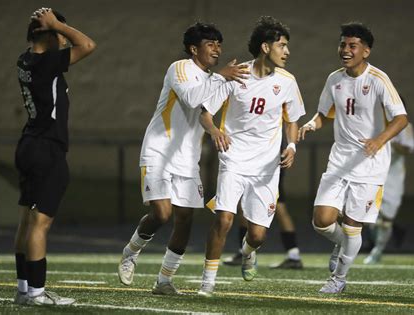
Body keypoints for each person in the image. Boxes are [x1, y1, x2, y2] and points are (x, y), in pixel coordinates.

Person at [117, 22, 248, 295]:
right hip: (159, 151)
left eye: (219, 44)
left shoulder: (214, 79)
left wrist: (214, 130)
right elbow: (191, 98)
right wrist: (221, 77)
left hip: (188, 158)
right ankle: (131, 251)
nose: (217, 49)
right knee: (162, 213)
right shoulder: (180, 68)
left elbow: (205, 113)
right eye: (210, 44)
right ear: (193, 48)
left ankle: (164, 281)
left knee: (185, 218)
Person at [197, 16, 305, 297]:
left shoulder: (288, 82)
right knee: (223, 219)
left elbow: (292, 119)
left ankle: (247, 251)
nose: (287, 52)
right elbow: (206, 114)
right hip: (233, 158)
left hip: (267, 166)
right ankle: (207, 283)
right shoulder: (236, 75)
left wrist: (291, 146)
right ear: (265, 47)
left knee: (257, 235)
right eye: (282, 45)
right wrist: (213, 132)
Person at [299, 22, 408, 294]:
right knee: (322, 220)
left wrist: (378, 140)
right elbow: (323, 113)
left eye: (352, 46)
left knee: (352, 225)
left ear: (366, 51)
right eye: (343, 45)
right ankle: (343, 244)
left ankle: (338, 278)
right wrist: (312, 123)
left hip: (371, 165)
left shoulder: (378, 80)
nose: (345, 50)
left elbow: (402, 118)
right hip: (340, 160)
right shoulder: (334, 79)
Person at [14, 8, 96, 305]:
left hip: (29, 144)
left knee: (26, 220)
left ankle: (24, 289)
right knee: (40, 223)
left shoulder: (26, 58)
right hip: (46, 148)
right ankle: (36, 293)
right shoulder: (47, 62)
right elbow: (87, 45)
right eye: (59, 32)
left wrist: (46, 26)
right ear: (48, 33)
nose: (64, 38)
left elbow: (49, 44)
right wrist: (57, 24)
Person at [223, 137, 303, 270]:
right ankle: (293, 253)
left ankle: (245, 252)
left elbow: (290, 122)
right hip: (266, 155)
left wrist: (290, 146)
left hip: (265, 157)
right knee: (278, 204)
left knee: (272, 203)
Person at [364, 104, 414, 264]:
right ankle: (379, 240)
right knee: (366, 213)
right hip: (373, 173)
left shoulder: (404, 126)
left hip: (393, 178)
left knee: (387, 217)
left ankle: (377, 250)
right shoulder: (374, 123)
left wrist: (389, 142)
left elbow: (408, 148)